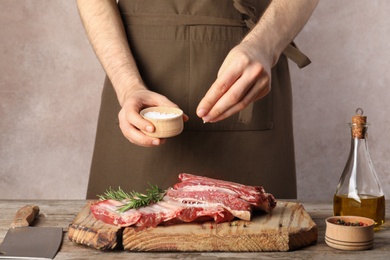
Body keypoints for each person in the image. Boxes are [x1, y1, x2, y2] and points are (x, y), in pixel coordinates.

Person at [77, 0, 318, 199]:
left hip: (249, 71)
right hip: (134, 81)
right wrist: (128, 86)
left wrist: (264, 45)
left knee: (263, 238)